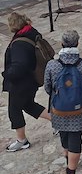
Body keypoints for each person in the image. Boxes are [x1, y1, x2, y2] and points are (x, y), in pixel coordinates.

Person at [44, 30, 82, 174]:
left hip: (58, 109)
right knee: (75, 139)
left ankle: (69, 162)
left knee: (64, 136)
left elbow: (47, 88)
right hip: (79, 109)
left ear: (61, 44)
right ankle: (71, 171)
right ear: (77, 43)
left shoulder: (52, 65)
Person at [2, 12, 51, 152]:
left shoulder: (19, 44)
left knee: (14, 110)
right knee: (28, 105)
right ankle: (57, 121)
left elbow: (19, 66)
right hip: (32, 79)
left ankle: (22, 140)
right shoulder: (31, 32)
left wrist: (7, 74)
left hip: (21, 83)